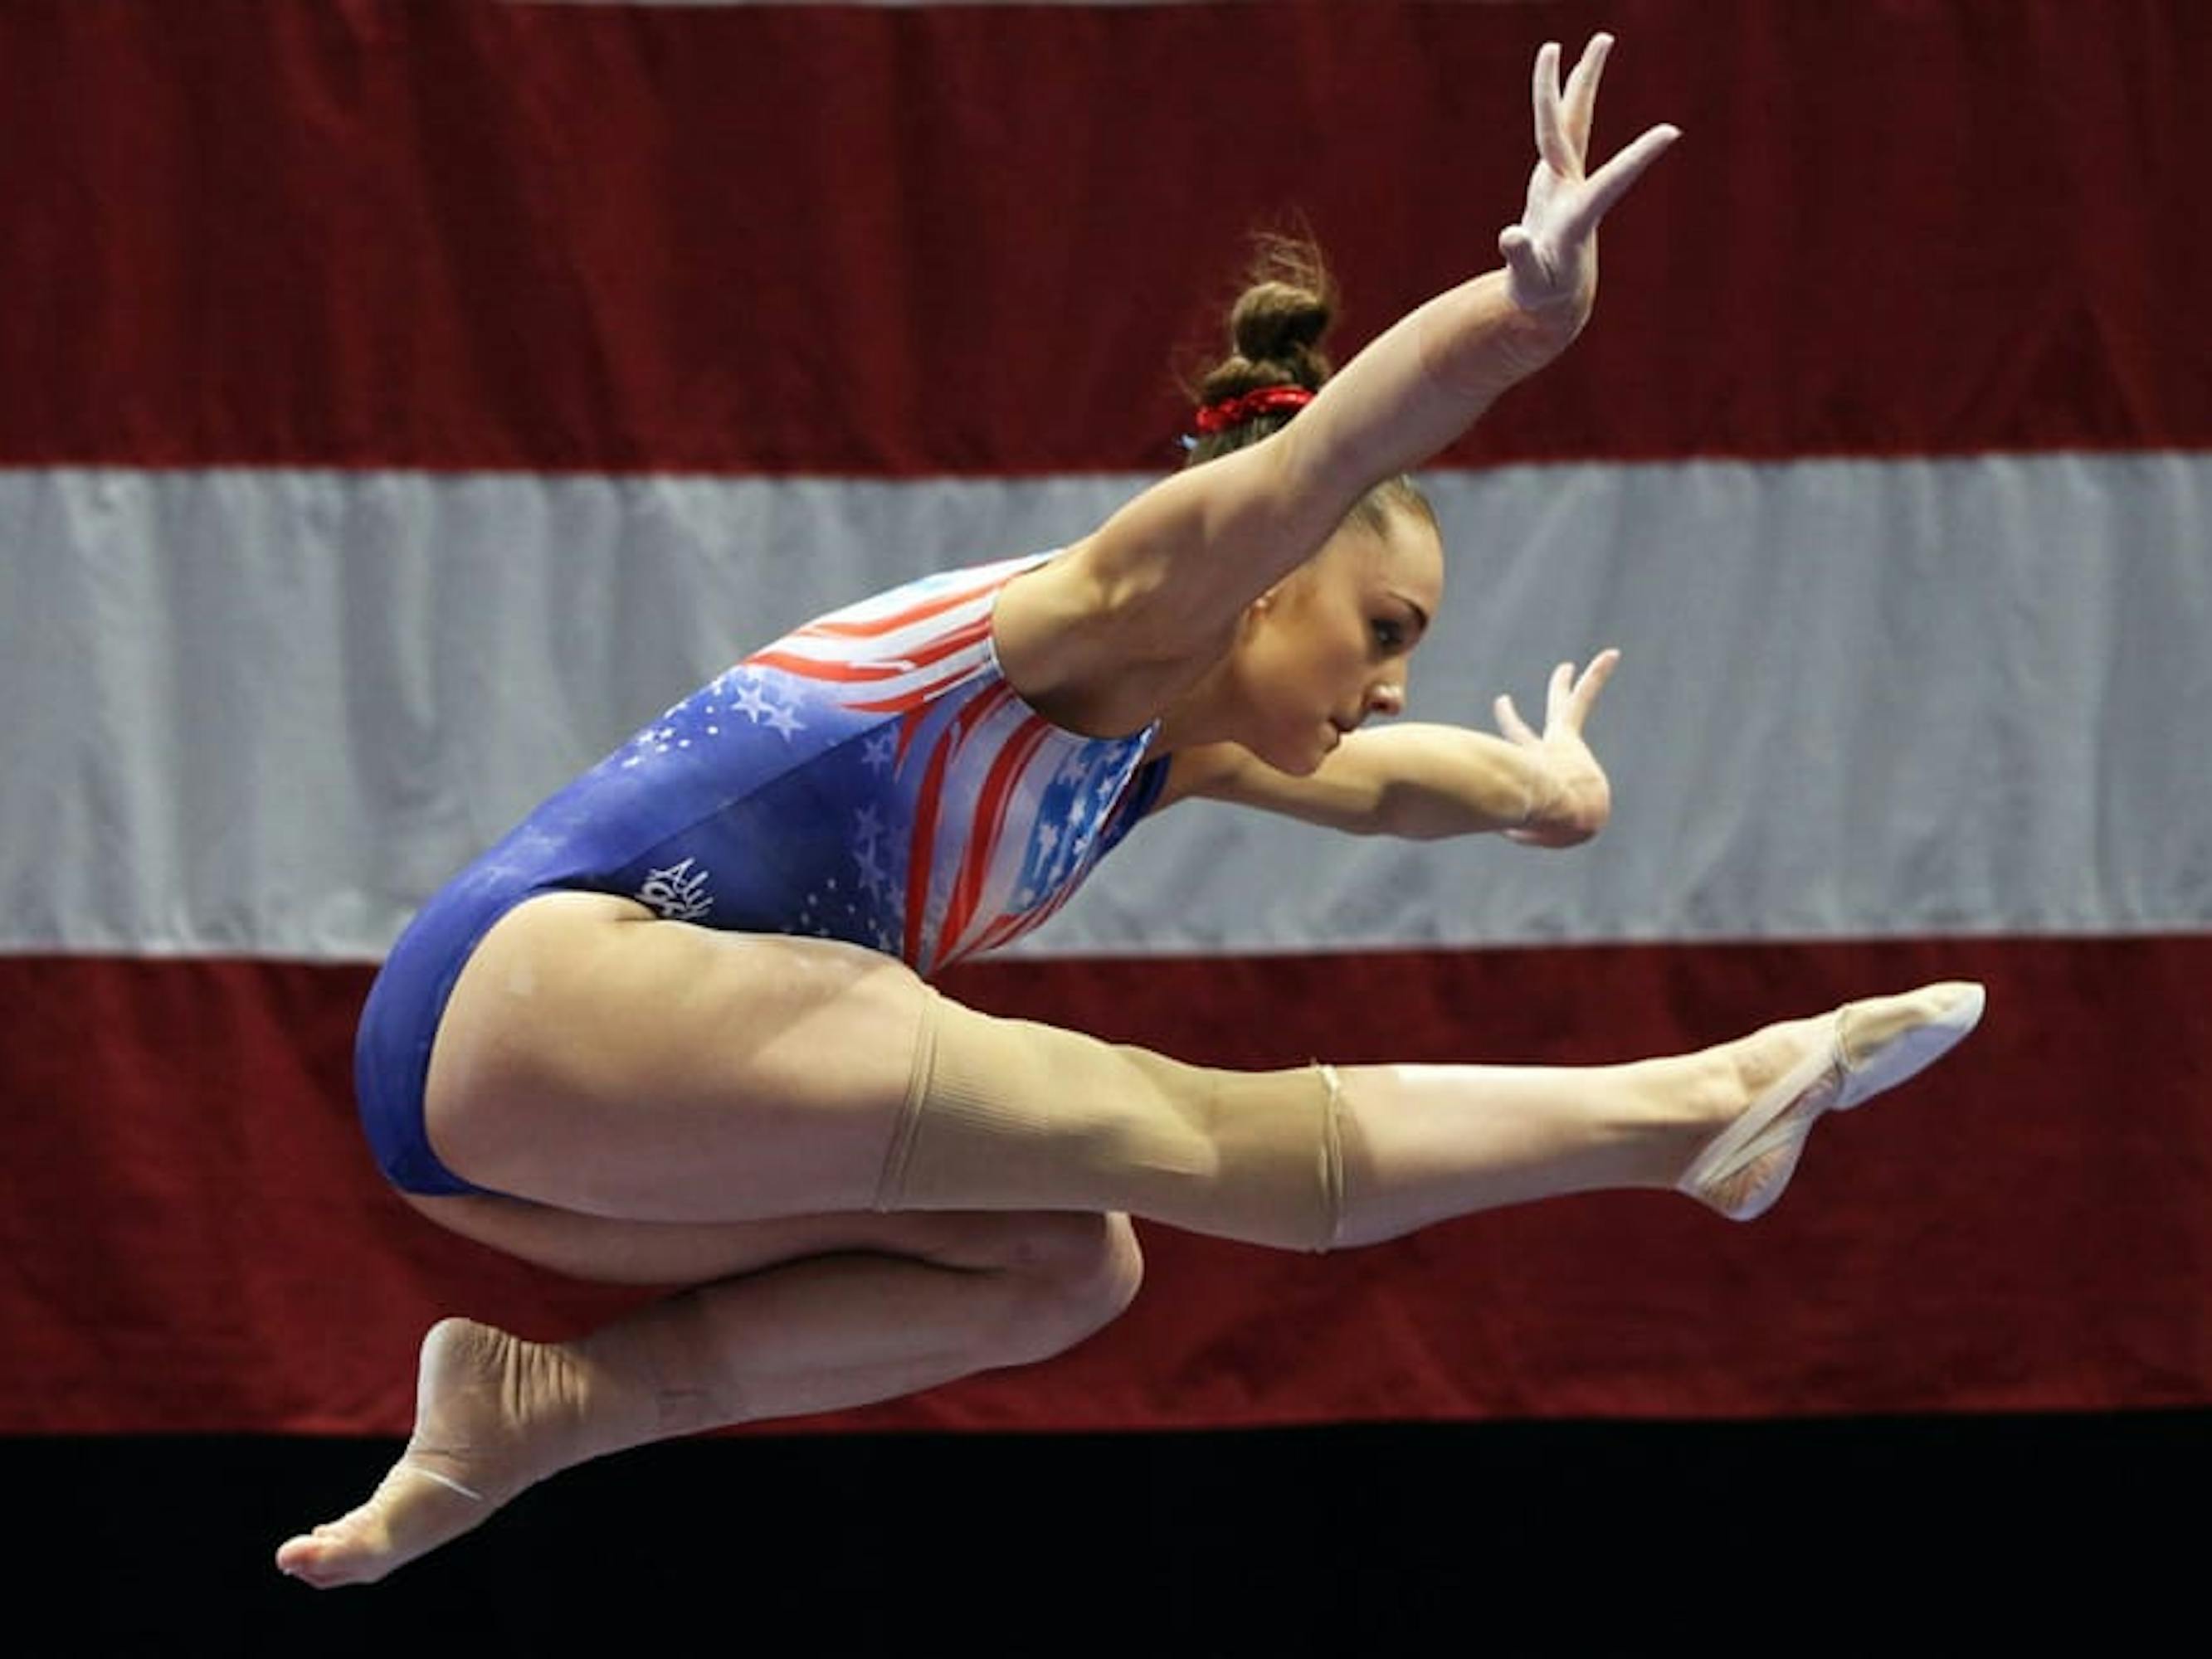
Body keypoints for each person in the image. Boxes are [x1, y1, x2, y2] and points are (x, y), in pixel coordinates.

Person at [277, 36, 1982, 1588]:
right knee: (1157, 1122)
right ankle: (1688, 1108)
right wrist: (1514, 323)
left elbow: (1408, 788)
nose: (1394, 681)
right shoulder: (1092, 615)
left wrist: (1551, 789)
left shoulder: (1175, 744)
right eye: (1383, 631)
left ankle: (540, 1404)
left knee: (1059, 1262)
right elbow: (1321, 468)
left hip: (501, 1136)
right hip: (535, 987)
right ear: (1257, 584)